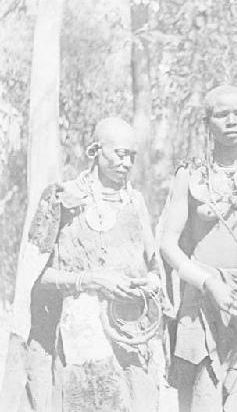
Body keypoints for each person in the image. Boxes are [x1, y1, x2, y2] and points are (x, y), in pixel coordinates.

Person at [16, 117, 165, 411]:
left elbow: (155, 267)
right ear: (95, 151)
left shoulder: (135, 203)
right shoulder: (62, 199)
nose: (126, 163)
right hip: (79, 341)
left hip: (130, 337)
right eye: (119, 154)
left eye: (131, 156)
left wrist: (148, 283)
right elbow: (34, 278)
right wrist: (90, 280)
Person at [159, 84, 237, 412]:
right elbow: (168, 244)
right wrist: (207, 283)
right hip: (202, 300)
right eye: (221, 114)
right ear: (207, 123)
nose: (230, 121)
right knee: (203, 397)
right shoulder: (190, 175)